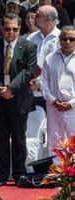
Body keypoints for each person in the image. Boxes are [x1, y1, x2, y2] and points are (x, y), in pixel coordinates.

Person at [0, 13, 37, 186]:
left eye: (14, 29)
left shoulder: (29, 46)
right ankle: (1, 176)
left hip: (19, 98)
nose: (11, 32)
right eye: (7, 29)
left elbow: (28, 71)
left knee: (19, 139)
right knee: (0, 139)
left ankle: (20, 174)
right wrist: (1, 89)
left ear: (20, 29)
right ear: (1, 28)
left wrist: (11, 88)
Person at [41, 25, 75, 155]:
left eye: (72, 39)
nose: (68, 42)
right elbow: (44, 83)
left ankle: (72, 173)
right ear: (59, 39)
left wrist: (71, 104)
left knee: (74, 143)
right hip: (54, 107)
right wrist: (53, 101)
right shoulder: (50, 58)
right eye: (64, 38)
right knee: (54, 144)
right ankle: (57, 174)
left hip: (73, 108)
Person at [27, 5, 61, 113]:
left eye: (37, 16)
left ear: (48, 19)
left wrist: (39, 83)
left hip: (53, 95)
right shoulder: (31, 38)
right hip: (30, 92)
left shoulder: (63, 39)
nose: (33, 18)